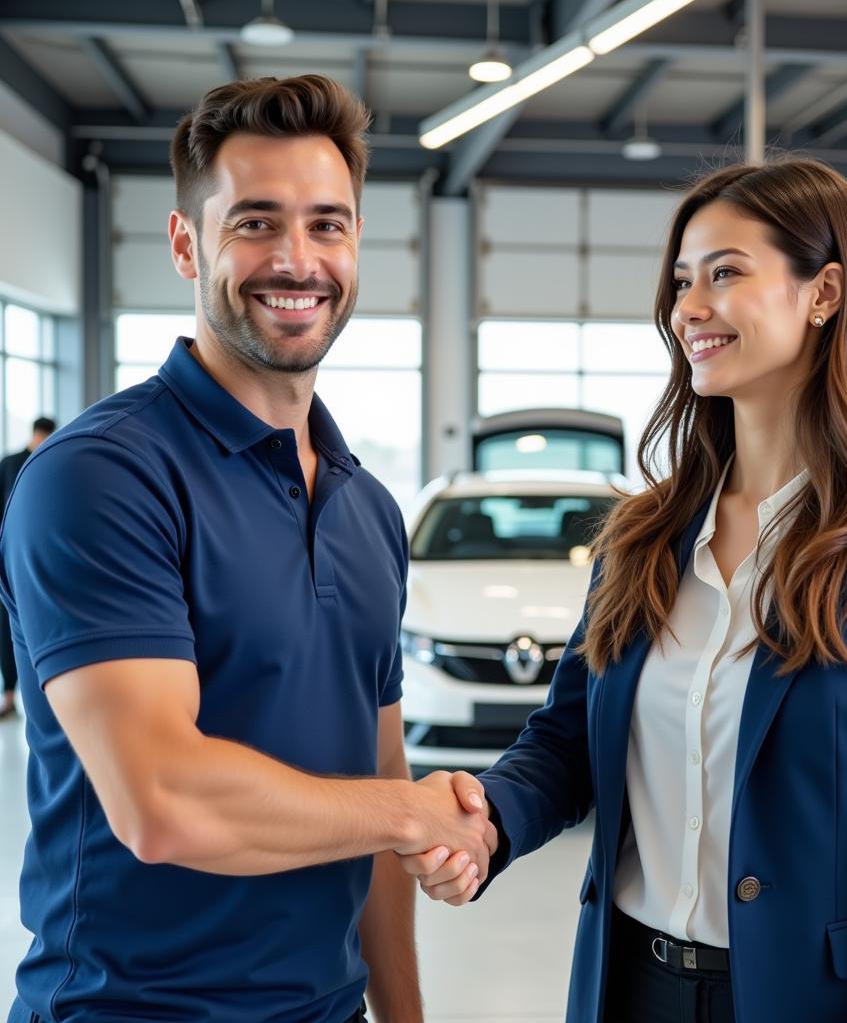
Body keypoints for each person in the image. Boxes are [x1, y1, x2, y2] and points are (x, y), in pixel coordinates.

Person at [403, 159, 847, 1023]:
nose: (688, 307)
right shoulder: (645, 532)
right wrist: (487, 819)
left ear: (825, 292)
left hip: (822, 1000)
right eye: (683, 281)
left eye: (725, 273)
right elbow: (568, 742)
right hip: (632, 988)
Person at [0, 75, 495, 1023]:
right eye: (257, 223)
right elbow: (162, 801)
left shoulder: (370, 510)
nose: (298, 260)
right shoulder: (101, 477)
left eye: (328, 224)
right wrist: (411, 814)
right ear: (187, 244)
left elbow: (380, 784)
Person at [0, 417, 56, 719]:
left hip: (36, 560)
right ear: (38, 433)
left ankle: (42, 699)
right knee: (9, 633)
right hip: (10, 559)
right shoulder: (12, 463)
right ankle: (9, 696)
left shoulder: (50, 460)